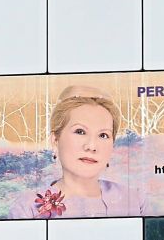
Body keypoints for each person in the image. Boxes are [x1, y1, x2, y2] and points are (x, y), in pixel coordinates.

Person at [9, 86, 146, 218]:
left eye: (103, 135)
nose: (91, 146)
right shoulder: (28, 208)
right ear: (55, 140)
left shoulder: (135, 201)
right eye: (80, 132)